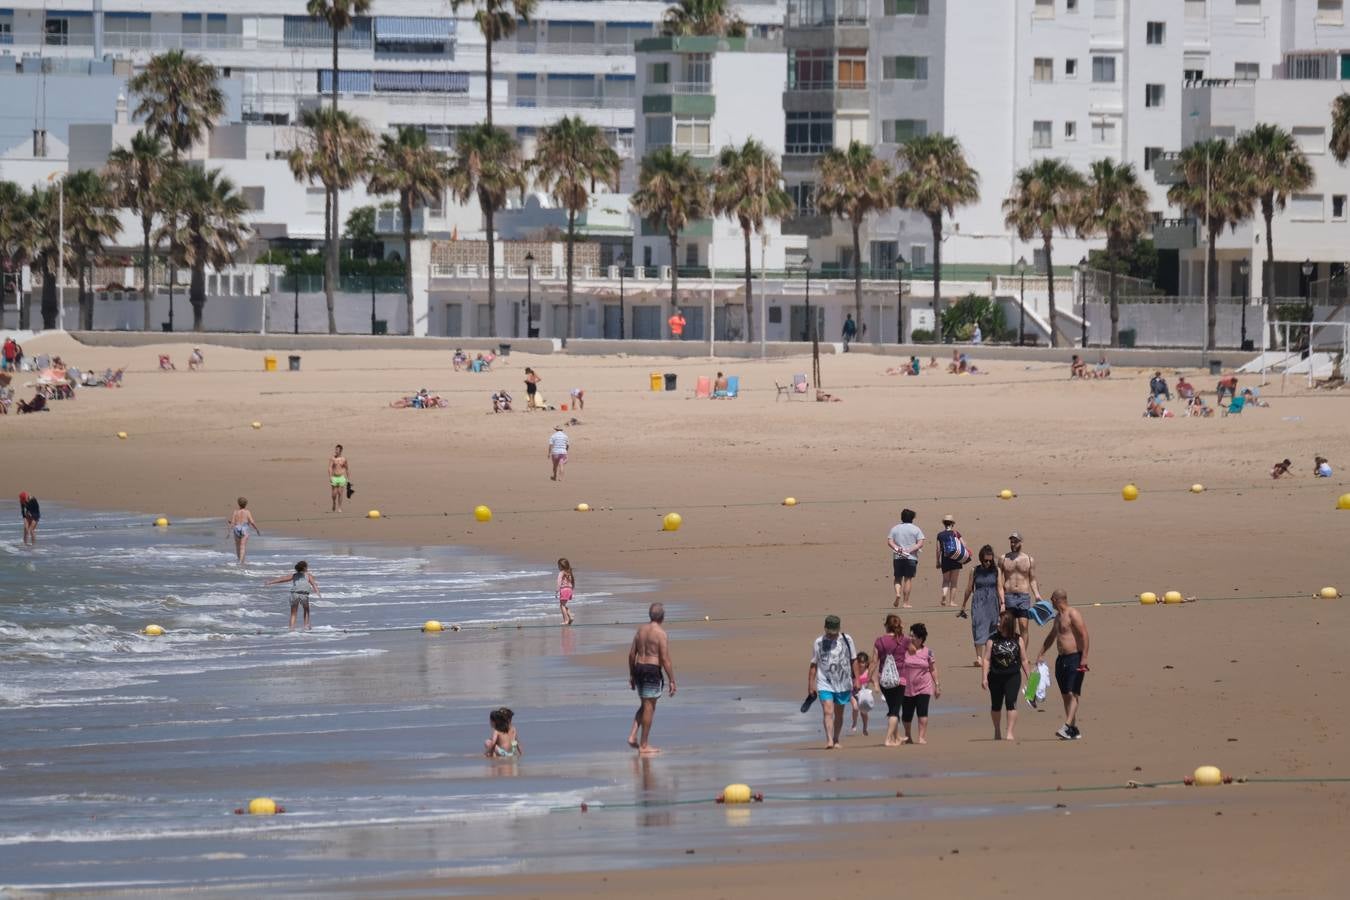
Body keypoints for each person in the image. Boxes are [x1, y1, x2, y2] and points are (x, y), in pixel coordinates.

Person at [1037, 590, 1091, 740]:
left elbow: (1084, 634)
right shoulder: (1057, 617)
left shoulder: (1072, 614)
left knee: (1074, 693)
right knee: (1065, 695)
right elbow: (1051, 637)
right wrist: (1041, 653)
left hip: (1075, 657)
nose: (1051, 603)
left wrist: (1084, 657)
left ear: (1055, 599)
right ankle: (1073, 729)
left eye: (1051, 600)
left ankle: (1067, 726)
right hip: (1062, 659)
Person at [627, 602, 675, 755]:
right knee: (649, 707)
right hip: (651, 670)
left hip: (639, 667)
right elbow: (665, 659)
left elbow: (631, 654)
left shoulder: (641, 630)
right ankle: (644, 745)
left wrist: (632, 674)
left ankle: (633, 735)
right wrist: (672, 680)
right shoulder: (661, 633)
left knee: (644, 704)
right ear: (662, 617)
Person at [808, 615, 859, 750]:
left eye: (834, 633)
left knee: (839, 713)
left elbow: (854, 660)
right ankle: (829, 740)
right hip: (825, 682)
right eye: (829, 633)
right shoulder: (818, 642)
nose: (831, 635)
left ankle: (836, 738)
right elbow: (813, 665)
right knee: (828, 711)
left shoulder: (847, 640)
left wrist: (857, 679)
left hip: (843, 683)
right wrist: (811, 685)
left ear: (838, 629)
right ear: (825, 629)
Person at [982, 610, 1029, 741]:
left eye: (999, 621)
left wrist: (1029, 677)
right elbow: (986, 659)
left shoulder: (1018, 639)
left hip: (1013, 676)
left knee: (1011, 702)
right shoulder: (992, 639)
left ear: (1006, 624)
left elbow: (1024, 659)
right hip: (995, 677)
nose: (997, 623)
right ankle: (997, 730)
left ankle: (1009, 732)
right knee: (996, 705)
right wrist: (984, 678)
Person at [960, 544, 1005, 668]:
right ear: (981, 558)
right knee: (978, 625)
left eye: (990, 560)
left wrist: (1003, 603)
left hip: (993, 601)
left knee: (993, 628)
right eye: (986, 560)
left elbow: (1000, 588)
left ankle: (987, 657)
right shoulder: (975, 570)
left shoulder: (997, 570)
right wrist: (963, 604)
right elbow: (969, 588)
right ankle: (979, 658)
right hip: (978, 601)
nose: (988, 563)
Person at [871, 614, 909, 747]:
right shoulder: (904, 640)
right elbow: (914, 651)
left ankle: (897, 737)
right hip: (900, 680)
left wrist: (869, 677)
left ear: (886, 626)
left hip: (884, 680)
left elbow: (874, 661)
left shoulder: (879, 641)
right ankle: (888, 739)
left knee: (893, 707)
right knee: (894, 710)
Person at [900, 623, 940, 745]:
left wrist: (937, 685)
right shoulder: (904, 651)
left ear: (921, 638)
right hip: (907, 687)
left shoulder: (928, 652)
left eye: (914, 636)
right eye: (910, 635)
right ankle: (908, 735)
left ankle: (921, 737)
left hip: (924, 687)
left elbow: (933, 669)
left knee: (922, 712)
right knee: (907, 714)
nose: (910, 638)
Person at [998, 531, 1040, 643]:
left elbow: (1032, 579)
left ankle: (1023, 656)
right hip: (1008, 596)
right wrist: (1001, 600)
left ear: (1020, 543)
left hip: (1023, 596)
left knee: (1024, 626)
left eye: (1015, 542)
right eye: (1011, 542)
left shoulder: (1029, 559)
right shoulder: (1003, 558)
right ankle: (1010, 652)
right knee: (1008, 626)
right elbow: (999, 581)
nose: (1013, 544)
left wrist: (1037, 595)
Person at [887, 508, 924, 609]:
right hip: (911, 557)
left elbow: (890, 542)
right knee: (908, 579)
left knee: (897, 578)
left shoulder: (895, 528)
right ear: (912, 518)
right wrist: (910, 550)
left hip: (898, 557)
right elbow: (920, 543)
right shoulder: (916, 529)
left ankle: (898, 593)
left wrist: (899, 550)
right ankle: (905, 602)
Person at [266, 560, 320, 631]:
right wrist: (318, 592)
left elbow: (283, 579)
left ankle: (291, 628)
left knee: (293, 613)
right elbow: (313, 584)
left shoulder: (294, 575)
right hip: (304, 595)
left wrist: (270, 582)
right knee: (306, 611)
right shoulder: (308, 575)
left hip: (294, 594)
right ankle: (306, 626)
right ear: (305, 568)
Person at [935, 514, 967, 607]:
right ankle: (952, 601)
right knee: (954, 581)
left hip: (945, 559)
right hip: (956, 559)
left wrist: (938, 561)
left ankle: (944, 594)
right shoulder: (956, 533)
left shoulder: (940, 535)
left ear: (944, 524)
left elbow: (938, 549)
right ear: (952, 523)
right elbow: (964, 545)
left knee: (945, 580)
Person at [228, 497, 261, 566]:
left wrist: (229, 532)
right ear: (246, 504)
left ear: (238, 503)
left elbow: (233, 522)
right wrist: (257, 529)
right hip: (244, 528)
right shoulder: (247, 512)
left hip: (236, 528)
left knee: (237, 546)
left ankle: (239, 560)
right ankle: (241, 562)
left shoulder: (235, 512)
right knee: (242, 546)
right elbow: (252, 522)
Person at [850, 650, 871, 735]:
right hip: (853, 693)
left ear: (866, 663)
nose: (861, 664)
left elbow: (874, 679)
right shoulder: (854, 672)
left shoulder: (868, 672)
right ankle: (854, 723)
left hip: (864, 695)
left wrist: (877, 685)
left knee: (864, 712)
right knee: (855, 708)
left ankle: (865, 727)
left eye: (863, 662)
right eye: (859, 662)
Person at [328, 445, 350, 513]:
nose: (336, 451)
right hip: (334, 477)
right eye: (335, 449)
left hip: (341, 477)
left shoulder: (344, 459)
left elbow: (347, 468)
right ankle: (334, 502)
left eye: (337, 450)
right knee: (334, 494)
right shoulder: (332, 459)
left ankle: (339, 507)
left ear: (340, 451)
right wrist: (330, 477)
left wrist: (348, 478)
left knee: (340, 493)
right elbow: (330, 467)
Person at [556, 557, 576, 626]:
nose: (558, 567)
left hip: (564, 590)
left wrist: (557, 591)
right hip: (569, 589)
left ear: (561, 566)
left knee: (562, 605)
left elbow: (559, 582)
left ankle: (566, 620)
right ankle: (570, 616)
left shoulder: (561, 573)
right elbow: (572, 582)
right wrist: (572, 590)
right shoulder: (569, 573)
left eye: (558, 566)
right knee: (563, 605)